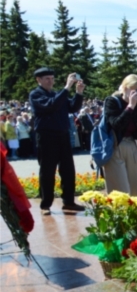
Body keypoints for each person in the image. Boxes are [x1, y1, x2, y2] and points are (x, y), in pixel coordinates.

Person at [28, 68, 85, 215]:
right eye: (47, 78)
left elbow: (72, 107)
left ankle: (69, 202)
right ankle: (45, 205)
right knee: (47, 171)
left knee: (68, 170)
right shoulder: (35, 94)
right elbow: (50, 105)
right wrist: (66, 88)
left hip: (63, 135)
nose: (50, 81)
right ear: (38, 80)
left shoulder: (56, 94)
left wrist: (78, 93)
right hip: (46, 137)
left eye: (52, 78)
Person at [102, 74, 137, 197]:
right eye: (135, 90)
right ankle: (120, 214)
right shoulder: (111, 101)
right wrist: (130, 107)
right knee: (120, 189)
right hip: (115, 146)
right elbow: (116, 124)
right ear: (125, 88)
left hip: (132, 145)